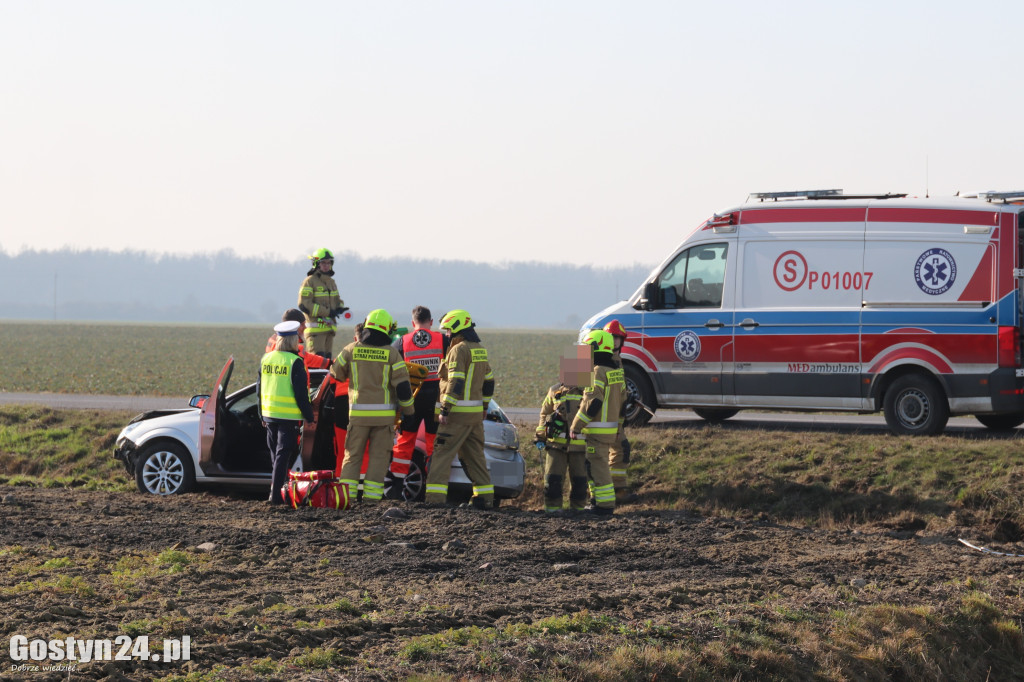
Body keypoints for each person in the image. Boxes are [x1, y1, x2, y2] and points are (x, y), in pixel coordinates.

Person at [330, 310, 414, 503]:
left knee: (352, 457)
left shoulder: (351, 349)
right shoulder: (392, 354)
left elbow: (335, 373)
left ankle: (346, 499)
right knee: (378, 459)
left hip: (358, 416)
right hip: (383, 419)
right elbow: (403, 387)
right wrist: (409, 412)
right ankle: (371, 501)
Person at [424, 310, 495, 508]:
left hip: (456, 416)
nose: (447, 334)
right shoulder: (479, 349)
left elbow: (456, 381)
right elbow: (489, 381)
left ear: (457, 328)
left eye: (448, 330)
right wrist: (484, 406)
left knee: (441, 455)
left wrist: (445, 409)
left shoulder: (458, 350)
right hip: (474, 417)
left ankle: (434, 500)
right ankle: (485, 499)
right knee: (475, 457)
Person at [388, 306, 445, 495]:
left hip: (411, 400)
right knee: (434, 444)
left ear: (413, 324)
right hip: (435, 402)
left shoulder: (402, 343)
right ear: (431, 322)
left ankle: (396, 486)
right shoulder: (443, 340)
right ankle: (434, 489)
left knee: (404, 443)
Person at [570, 329, 627, 518]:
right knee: (593, 466)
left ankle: (604, 506)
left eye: (588, 348)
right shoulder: (616, 372)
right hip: (610, 430)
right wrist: (619, 427)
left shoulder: (597, 372)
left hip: (597, 431)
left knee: (598, 467)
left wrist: (575, 426)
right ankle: (596, 502)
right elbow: (623, 403)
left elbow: (592, 403)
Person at [257, 320, 315, 505]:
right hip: (288, 417)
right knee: (282, 456)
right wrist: (309, 416)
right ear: (292, 340)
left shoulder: (266, 359)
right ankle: (276, 497)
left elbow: (258, 390)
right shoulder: (295, 362)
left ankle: (277, 492)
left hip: (269, 415)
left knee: (276, 456)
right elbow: (301, 394)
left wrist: (261, 414)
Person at [536, 382, 588, 514]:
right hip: (556, 446)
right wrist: (540, 436)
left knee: (580, 483)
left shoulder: (587, 391)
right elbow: (544, 414)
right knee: (553, 481)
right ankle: (552, 511)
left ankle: (578, 511)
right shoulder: (554, 390)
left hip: (580, 447)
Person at [603, 319, 636, 503]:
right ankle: (597, 496)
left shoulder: (618, 361)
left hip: (614, 418)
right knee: (592, 459)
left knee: (622, 449)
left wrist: (627, 397)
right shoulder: (588, 358)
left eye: (618, 338)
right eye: (612, 337)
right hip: (596, 419)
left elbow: (617, 388)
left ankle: (619, 491)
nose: (615, 341)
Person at [298, 248, 348, 361]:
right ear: (316, 263)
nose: (326, 265)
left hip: (329, 330)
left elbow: (336, 300)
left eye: (329, 262)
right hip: (315, 332)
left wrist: (340, 308)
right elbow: (304, 304)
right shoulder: (309, 281)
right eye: (323, 263)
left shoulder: (331, 282)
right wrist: (328, 312)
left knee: (327, 364)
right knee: (316, 363)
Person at [265, 309, 331, 370]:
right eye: (302, 325)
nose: (305, 327)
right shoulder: (288, 346)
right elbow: (306, 358)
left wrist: (328, 363)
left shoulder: (274, 339)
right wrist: (330, 364)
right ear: (292, 326)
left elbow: (309, 358)